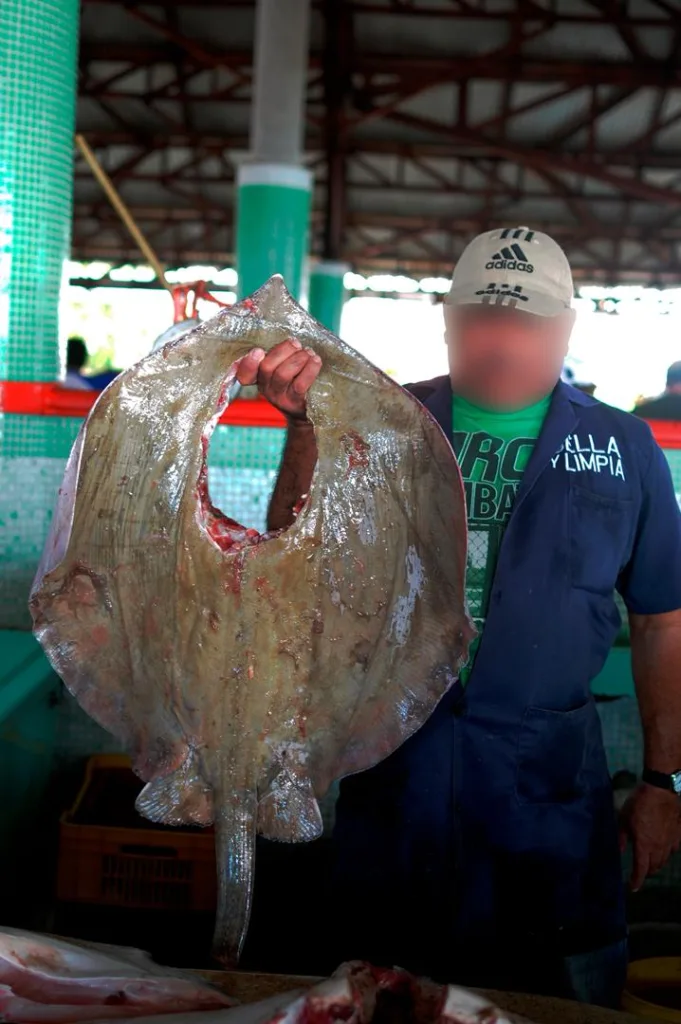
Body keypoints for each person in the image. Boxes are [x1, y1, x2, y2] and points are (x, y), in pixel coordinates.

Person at [236, 228, 681, 1007]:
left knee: (551, 997)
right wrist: (304, 425)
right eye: (481, 316)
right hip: (395, 773)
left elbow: (662, 623)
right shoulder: (379, 421)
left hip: (547, 795)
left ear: (567, 328)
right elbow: (289, 560)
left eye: (529, 322)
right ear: (446, 319)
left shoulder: (622, 447)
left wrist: (661, 780)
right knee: (376, 991)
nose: (502, 340)